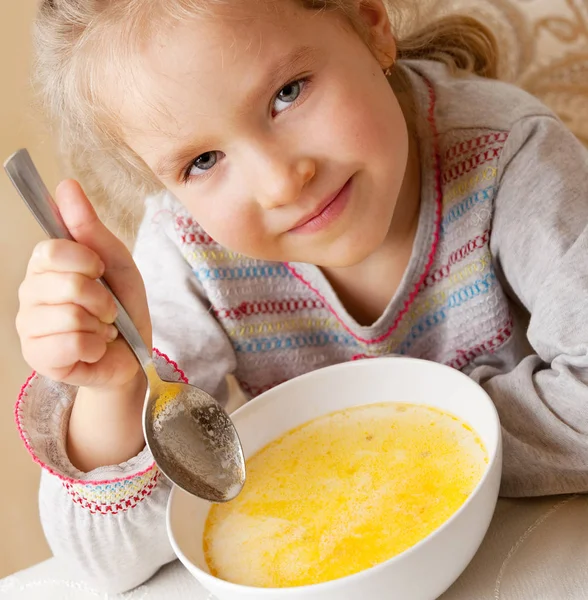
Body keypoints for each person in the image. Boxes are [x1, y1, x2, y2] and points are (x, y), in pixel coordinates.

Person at [14, 0, 588, 593]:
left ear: (370, 22)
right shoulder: (191, 250)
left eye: (288, 93)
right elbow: (103, 565)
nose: (280, 182)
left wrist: (387, 450)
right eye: (203, 161)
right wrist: (115, 388)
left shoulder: (506, 156)